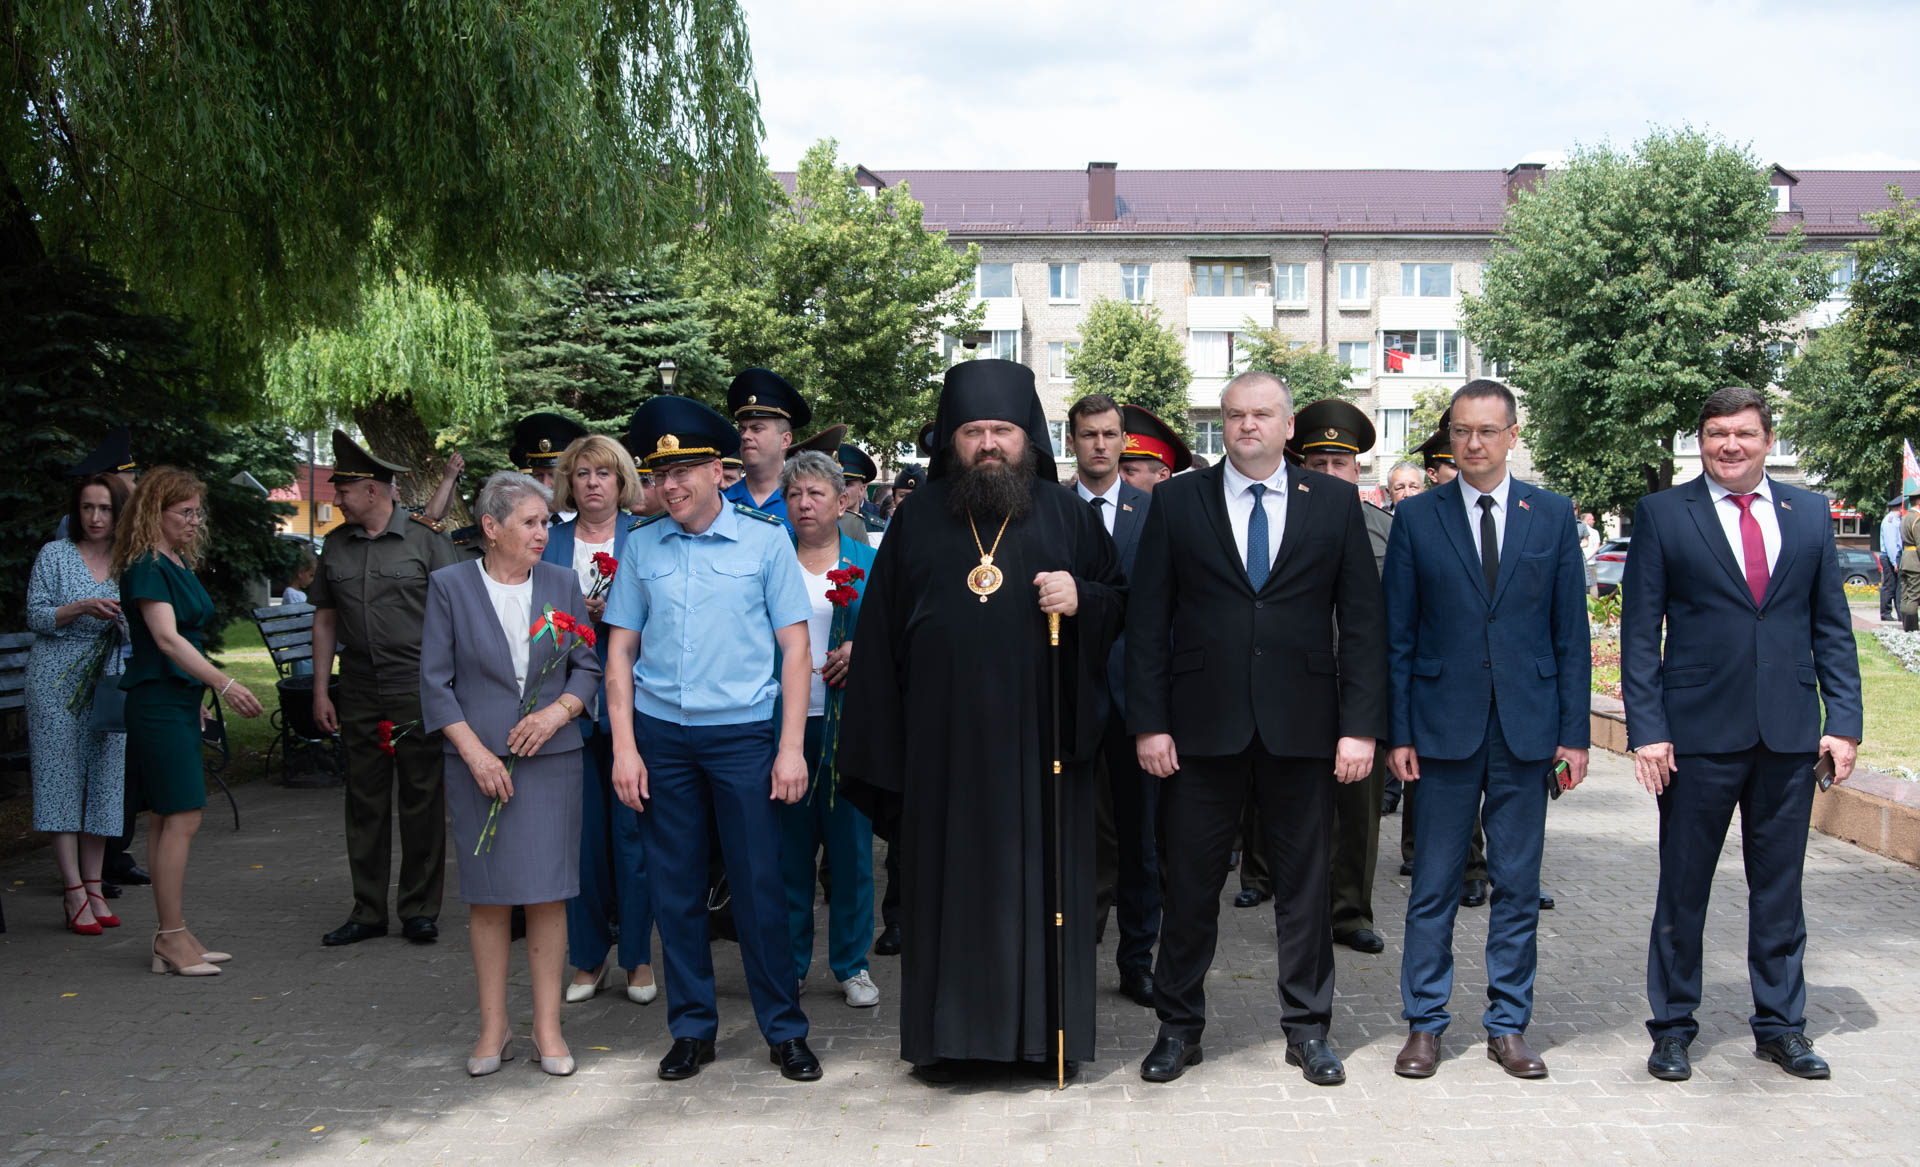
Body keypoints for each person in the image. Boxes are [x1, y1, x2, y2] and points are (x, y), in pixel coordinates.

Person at [839, 359, 1123, 1081]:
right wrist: (888, 750)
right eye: (973, 431)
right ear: (952, 440)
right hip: (943, 752)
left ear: (1026, 435)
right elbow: (878, 644)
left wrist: (1081, 595)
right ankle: (948, 1043)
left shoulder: (1064, 513)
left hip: (1040, 751)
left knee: (1039, 893)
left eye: (1001, 429)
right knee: (945, 895)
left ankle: (1038, 1044)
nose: (988, 444)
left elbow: (1124, 602)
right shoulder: (915, 519)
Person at [1128, 371, 1386, 1088]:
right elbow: (1148, 622)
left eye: (1261, 414)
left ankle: (1308, 1029)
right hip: (1199, 729)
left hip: (1304, 727)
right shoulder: (1179, 499)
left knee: (1305, 888)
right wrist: (1149, 723)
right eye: (1235, 415)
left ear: (1287, 423)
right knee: (1189, 888)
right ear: (1223, 423)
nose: (1247, 426)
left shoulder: (1332, 502)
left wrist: (1361, 727)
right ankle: (1178, 1026)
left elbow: (1363, 623)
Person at [1623, 386, 1863, 1084]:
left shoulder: (1811, 514)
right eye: (1717, 432)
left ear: (1767, 439)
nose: (1731, 444)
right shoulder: (1665, 514)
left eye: (1745, 433)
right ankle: (1671, 1028)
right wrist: (1648, 730)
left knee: (1780, 890)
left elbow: (1832, 630)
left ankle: (1782, 1026)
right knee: (1684, 888)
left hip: (1787, 736)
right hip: (1695, 736)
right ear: (1700, 439)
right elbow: (1641, 635)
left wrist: (1841, 723)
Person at [603, 395, 823, 1084]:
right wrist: (624, 747)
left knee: (760, 887)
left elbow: (795, 651)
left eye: (684, 471)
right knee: (675, 888)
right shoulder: (642, 548)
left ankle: (784, 1029)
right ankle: (692, 1029)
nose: (669, 486)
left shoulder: (765, 541)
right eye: (658, 474)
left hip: (742, 740)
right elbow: (619, 654)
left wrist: (790, 747)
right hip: (664, 739)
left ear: (720, 473)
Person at [1382, 379, 1589, 1082]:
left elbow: (1571, 633)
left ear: (1512, 434)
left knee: (1517, 882)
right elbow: (1398, 635)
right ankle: (1425, 1023)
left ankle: (1508, 1024)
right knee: (1434, 882)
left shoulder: (1551, 515)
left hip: (1527, 731)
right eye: (1461, 431)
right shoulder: (1418, 518)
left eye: (1487, 431)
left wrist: (1575, 735)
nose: (1473, 443)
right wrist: (1398, 731)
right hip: (1440, 729)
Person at [420, 472, 602, 1076]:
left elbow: (587, 670)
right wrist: (475, 754)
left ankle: (547, 1027)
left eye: (546, 521)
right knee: (490, 898)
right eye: (530, 522)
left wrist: (556, 714)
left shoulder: (561, 582)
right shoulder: (449, 585)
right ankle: (492, 1025)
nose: (542, 532)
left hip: (552, 763)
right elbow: (435, 683)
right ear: (491, 528)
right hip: (477, 766)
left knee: (550, 894)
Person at [310, 430, 461, 947]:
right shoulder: (335, 545)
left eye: (343, 490)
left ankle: (419, 909)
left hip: (415, 688)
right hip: (357, 690)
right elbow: (325, 619)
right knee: (364, 801)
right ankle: (368, 910)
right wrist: (320, 691)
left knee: (420, 801)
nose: (337, 499)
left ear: (372, 491)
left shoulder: (425, 540)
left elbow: (454, 616)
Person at [114, 467, 266, 974]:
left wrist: (197, 695)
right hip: (156, 703)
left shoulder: (173, 561)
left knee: (168, 816)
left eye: (197, 512)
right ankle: (171, 937)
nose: (194, 521)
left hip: (176, 700)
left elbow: (183, 644)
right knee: (182, 816)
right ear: (153, 512)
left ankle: (171, 934)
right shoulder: (146, 565)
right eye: (185, 512)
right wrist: (224, 683)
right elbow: (166, 639)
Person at [542, 435, 658, 1008]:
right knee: (581, 841)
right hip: (566, 710)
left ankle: (637, 957)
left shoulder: (645, 537)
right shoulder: (549, 539)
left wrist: (611, 614)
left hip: (632, 707)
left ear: (621, 483)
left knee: (632, 836)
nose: (592, 482)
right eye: (582, 472)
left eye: (604, 474)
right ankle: (588, 959)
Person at [1288, 399, 1394, 956]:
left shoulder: (1385, 530)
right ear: (1301, 465)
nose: (1330, 473)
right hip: (1295, 686)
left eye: (1340, 463)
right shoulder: (1280, 520)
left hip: (1361, 688)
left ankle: (1350, 912)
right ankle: (1300, 912)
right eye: (1318, 463)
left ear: (1358, 469)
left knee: (1358, 813)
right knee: (1299, 808)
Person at [776, 449, 881, 1008]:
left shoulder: (867, 562)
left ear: (841, 500)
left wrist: (858, 649)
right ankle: (790, 963)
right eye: (794, 494)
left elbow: (896, 636)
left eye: (816, 493)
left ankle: (852, 963)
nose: (804, 503)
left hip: (848, 725)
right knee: (789, 852)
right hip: (786, 726)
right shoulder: (772, 561)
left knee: (851, 853)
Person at [1068, 395, 1161, 1008]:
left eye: (1109, 435)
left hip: (1138, 700)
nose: (1100, 445)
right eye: (1088, 436)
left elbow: (1167, 611)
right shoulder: (1046, 510)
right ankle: (1072, 954)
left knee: (1141, 841)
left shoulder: (1154, 512)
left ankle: (1137, 960)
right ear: (1070, 440)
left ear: (1123, 439)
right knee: (1072, 836)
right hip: (1069, 696)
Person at [27, 473, 131, 935]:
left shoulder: (129, 561)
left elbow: (146, 626)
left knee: (104, 783)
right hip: (54, 681)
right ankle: (71, 891)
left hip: (107, 684)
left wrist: (126, 621)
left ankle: (94, 884)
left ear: (117, 513)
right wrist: (80, 608)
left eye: (105, 509)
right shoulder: (55, 555)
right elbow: (36, 614)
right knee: (61, 782)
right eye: (87, 508)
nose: (95, 517)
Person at [722, 367, 812, 529]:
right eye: (741, 429)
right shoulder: (720, 503)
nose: (745, 436)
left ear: (785, 440)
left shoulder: (807, 505)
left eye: (756, 429)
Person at [511, 413, 589, 521]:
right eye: (538, 475)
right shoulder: (521, 526)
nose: (545, 484)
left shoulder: (593, 524)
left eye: (553, 475)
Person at [281, 549, 317, 677]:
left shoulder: (300, 594)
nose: (312, 580)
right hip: (300, 648)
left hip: (308, 646)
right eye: (311, 575)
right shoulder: (291, 594)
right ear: (301, 573)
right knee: (304, 680)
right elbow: (299, 622)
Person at [1879, 497, 1904, 623]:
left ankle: (1899, 613)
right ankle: (1886, 613)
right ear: (1900, 507)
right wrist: (1895, 562)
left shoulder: (1897, 520)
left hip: (1893, 556)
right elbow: (1891, 544)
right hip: (1890, 557)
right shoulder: (1890, 521)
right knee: (1890, 586)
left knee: (1896, 587)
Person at [1900, 484, 1920, 633]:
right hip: (1915, 562)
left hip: (1905, 560)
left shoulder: (1906, 518)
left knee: (1905, 595)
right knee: (1914, 596)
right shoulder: (1917, 519)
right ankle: (1912, 629)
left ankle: (1906, 627)